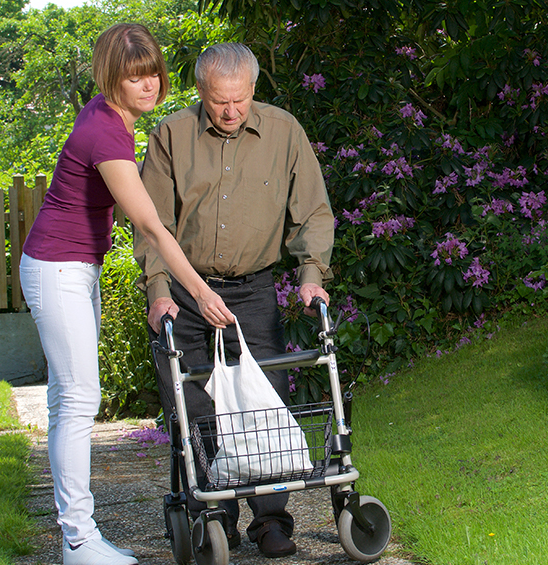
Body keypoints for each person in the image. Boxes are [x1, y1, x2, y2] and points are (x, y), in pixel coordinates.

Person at [19, 24, 234, 565]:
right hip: (58, 268)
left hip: (71, 268)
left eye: (153, 74)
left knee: (66, 399)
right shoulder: (108, 133)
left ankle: (79, 536)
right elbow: (153, 226)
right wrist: (201, 292)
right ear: (111, 78)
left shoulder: (109, 118)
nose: (147, 86)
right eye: (133, 76)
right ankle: (78, 540)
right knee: (78, 401)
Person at [134, 42, 335, 558]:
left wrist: (311, 273)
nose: (230, 112)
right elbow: (150, 224)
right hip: (186, 291)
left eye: (240, 101)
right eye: (220, 101)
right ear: (201, 92)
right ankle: (213, 513)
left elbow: (312, 210)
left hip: (253, 289)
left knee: (266, 402)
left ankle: (271, 521)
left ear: (253, 90)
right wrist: (159, 291)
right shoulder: (171, 137)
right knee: (195, 405)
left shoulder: (284, 131)